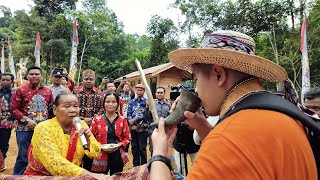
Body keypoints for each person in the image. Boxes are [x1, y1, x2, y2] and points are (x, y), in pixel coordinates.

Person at [149, 30, 317, 179]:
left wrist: (159, 155)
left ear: (218, 75)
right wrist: (202, 126)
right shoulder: (285, 114)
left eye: (196, 79)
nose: (196, 90)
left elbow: (230, 148)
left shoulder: (228, 139)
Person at [23, 92, 107, 179]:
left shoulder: (81, 125)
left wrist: (88, 142)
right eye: (67, 106)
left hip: (72, 176)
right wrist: (88, 174)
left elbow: (96, 153)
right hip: (43, 177)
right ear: (55, 109)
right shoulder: (43, 128)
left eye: (76, 106)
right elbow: (54, 164)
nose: (73, 110)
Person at [11, 66, 54, 175]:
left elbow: (52, 109)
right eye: (31, 74)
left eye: (36, 74)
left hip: (43, 130)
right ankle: (18, 176)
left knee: (43, 154)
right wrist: (26, 120)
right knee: (23, 155)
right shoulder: (20, 90)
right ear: (27, 76)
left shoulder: (48, 91)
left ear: (42, 76)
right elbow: (13, 108)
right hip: (24, 129)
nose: (34, 76)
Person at [90, 92, 131, 175]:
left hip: (117, 155)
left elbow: (127, 138)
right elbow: (90, 137)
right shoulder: (96, 119)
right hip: (100, 155)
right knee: (100, 177)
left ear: (117, 104)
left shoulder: (122, 120)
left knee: (116, 177)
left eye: (113, 102)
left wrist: (118, 145)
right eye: (108, 101)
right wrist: (99, 146)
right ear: (104, 103)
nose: (110, 104)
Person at [73, 69, 103, 171]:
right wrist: (82, 120)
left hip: (94, 127)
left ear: (94, 80)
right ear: (82, 80)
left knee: (90, 150)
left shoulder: (99, 93)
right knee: (77, 150)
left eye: (91, 79)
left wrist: (92, 119)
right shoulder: (75, 92)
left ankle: (88, 173)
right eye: (86, 79)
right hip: (77, 126)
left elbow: (102, 109)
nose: (89, 81)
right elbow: (72, 108)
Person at [127, 83, 149, 166]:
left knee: (142, 148)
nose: (139, 92)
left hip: (142, 128)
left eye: (141, 90)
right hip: (133, 128)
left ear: (144, 91)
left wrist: (135, 120)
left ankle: (144, 166)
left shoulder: (146, 102)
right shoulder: (132, 102)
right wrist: (130, 121)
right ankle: (135, 166)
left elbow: (145, 115)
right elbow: (129, 113)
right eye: (138, 90)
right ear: (136, 91)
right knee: (134, 147)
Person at [0, 73, 15, 172]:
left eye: (7, 80)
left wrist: (14, 121)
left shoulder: (15, 94)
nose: (5, 82)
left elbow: (17, 108)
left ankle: (2, 163)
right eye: (3, 80)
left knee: (4, 144)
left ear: (12, 82)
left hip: (7, 124)